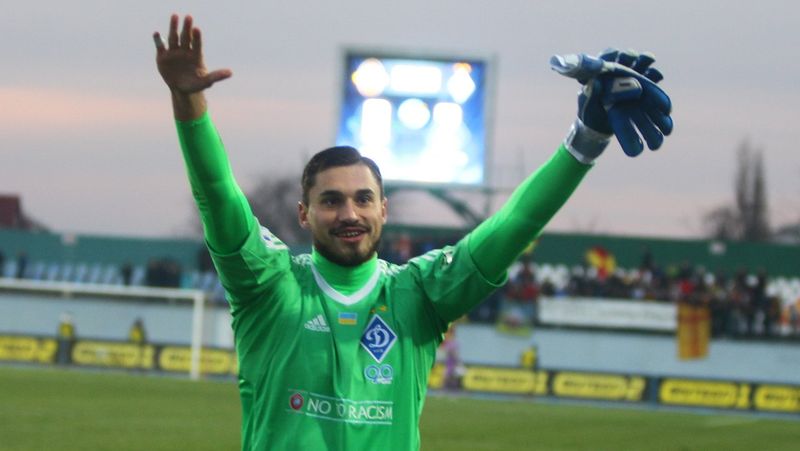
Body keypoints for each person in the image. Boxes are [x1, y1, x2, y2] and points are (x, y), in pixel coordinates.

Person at [153, 14, 672, 451]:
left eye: (363, 199)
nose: (349, 213)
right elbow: (217, 194)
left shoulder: (419, 294)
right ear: (304, 214)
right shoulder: (269, 286)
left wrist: (586, 139)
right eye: (331, 201)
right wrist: (188, 104)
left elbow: (514, 226)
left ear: (384, 210)